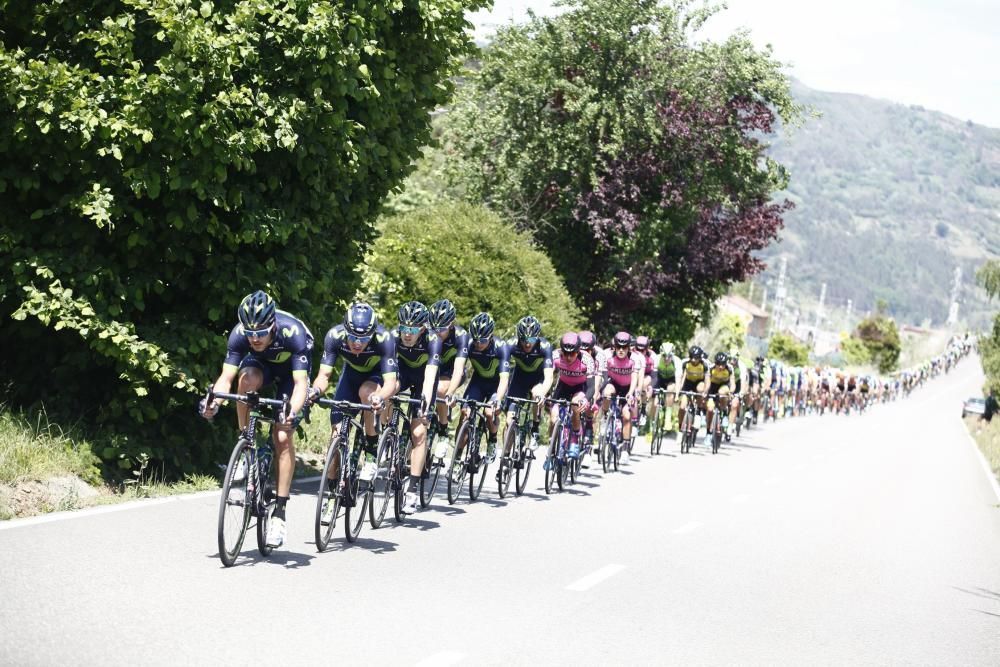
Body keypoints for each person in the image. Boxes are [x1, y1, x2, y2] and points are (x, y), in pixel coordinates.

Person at [201, 290, 313, 549]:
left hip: (290, 373)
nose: (255, 338)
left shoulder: (293, 333)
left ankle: (280, 514)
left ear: (272, 324)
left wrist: (291, 412)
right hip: (261, 366)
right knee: (245, 380)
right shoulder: (241, 335)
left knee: (283, 435)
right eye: (250, 333)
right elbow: (225, 378)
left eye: (261, 333)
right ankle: (246, 442)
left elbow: (300, 385)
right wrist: (214, 402)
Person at [309, 302, 398, 523]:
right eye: (353, 337)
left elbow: (390, 382)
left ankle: (370, 452)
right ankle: (331, 495)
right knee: (336, 436)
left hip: (375, 378)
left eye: (363, 338)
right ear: (345, 330)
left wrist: (381, 397)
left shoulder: (384, 339)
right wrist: (315, 390)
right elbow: (324, 375)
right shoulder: (335, 336)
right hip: (349, 378)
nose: (357, 343)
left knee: (368, 393)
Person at [390, 301, 441, 514]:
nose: (407, 334)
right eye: (404, 328)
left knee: (418, 432)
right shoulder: (393, 337)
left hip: (423, 380)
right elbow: (387, 371)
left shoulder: (433, 341)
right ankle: (387, 435)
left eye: (412, 330)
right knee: (388, 391)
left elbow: (430, 379)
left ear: (422, 328)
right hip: (402, 373)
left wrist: (425, 405)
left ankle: (411, 490)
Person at [504, 315, 554, 454]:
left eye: (531, 339)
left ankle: (535, 429)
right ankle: (506, 456)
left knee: (536, 394)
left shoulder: (545, 346)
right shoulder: (511, 344)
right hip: (519, 378)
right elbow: (502, 369)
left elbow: (549, 376)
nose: (527, 343)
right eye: (524, 339)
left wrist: (543, 393)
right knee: (509, 420)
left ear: (537, 337)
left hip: (538, 378)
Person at [427, 299, 470, 451]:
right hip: (431, 369)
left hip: (451, 372)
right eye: (434, 327)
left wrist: (450, 393)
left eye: (442, 329)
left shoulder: (461, 336)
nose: (437, 332)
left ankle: (444, 430)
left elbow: (459, 369)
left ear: (451, 324)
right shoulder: (427, 332)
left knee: (440, 389)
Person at [550, 332, 596, 460]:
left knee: (576, 404)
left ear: (578, 351)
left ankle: (575, 440)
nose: (569, 357)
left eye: (572, 353)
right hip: (563, 386)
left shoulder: (587, 359)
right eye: (566, 353)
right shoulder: (555, 355)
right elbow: (547, 376)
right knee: (553, 418)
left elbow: (591, 386)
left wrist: (586, 399)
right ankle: (552, 450)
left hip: (580, 387)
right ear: (561, 351)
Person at [603, 331, 642, 463]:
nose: (620, 350)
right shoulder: (607, 355)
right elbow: (602, 375)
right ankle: (605, 419)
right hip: (613, 384)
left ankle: (625, 449)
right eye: (618, 347)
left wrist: (631, 393)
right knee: (607, 393)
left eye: (624, 347)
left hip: (627, 387)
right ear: (614, 346)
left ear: (629, 347)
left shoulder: (634, 358)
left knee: (626, 415)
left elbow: (635, 377)